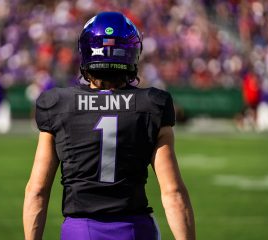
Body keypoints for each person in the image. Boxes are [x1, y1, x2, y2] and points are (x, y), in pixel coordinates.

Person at [23, 12, 195, 240]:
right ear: (132, 53)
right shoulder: (152, 104)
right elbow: (173, 192)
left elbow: (37, 191)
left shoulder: (58, 104)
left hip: (80, 230)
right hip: (134, 229)